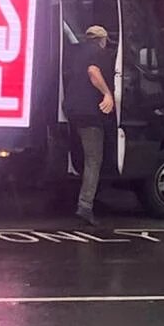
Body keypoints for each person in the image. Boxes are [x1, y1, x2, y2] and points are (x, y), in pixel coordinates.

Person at [63, 24, 115, 226]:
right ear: (102, 40)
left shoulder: (76, 52)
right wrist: (107, 93)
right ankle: (85, 206)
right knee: (94, 159)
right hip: (89, 113)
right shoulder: (99, 53)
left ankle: (87, 196)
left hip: (71, 110)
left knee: (83, 155)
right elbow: (93, 71)